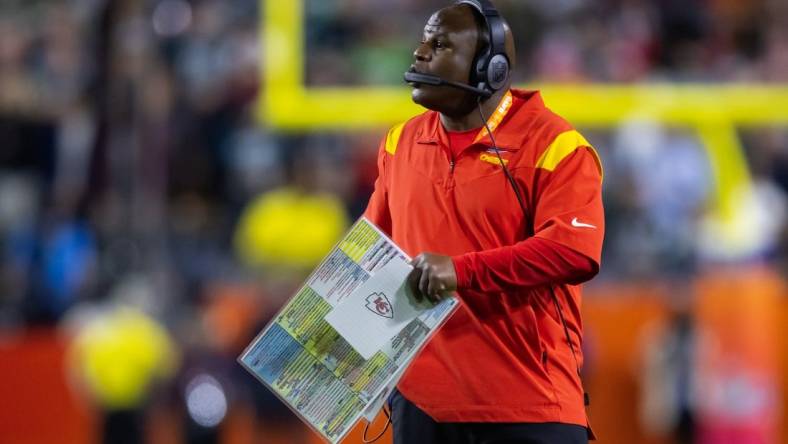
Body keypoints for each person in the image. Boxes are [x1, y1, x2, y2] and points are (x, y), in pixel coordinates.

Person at [363, 1, 604, 443]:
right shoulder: (401, 141)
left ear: (490, 68)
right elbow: (370, 253)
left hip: (529, 403)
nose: (419, 53)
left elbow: (574, 251)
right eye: (422, 41)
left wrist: (461, 270)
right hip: (422, 406)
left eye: (439, 44)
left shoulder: (556, 145)